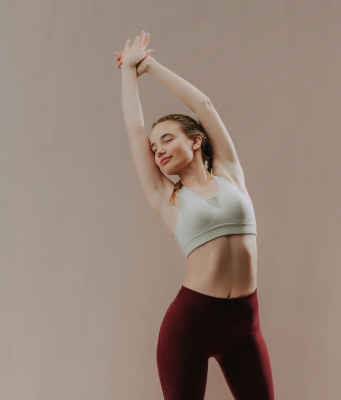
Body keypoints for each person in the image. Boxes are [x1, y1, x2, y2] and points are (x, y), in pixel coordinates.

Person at [115, 30, 274, 400]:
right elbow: (134, 130)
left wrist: (149, 66)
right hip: (190, 324)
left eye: (167, 138)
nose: (159, 150)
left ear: (196, 140)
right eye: (155, 148)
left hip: (246, 324)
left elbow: (203, 104)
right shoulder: (166, 197)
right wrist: (127, 74)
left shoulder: (231, 173)